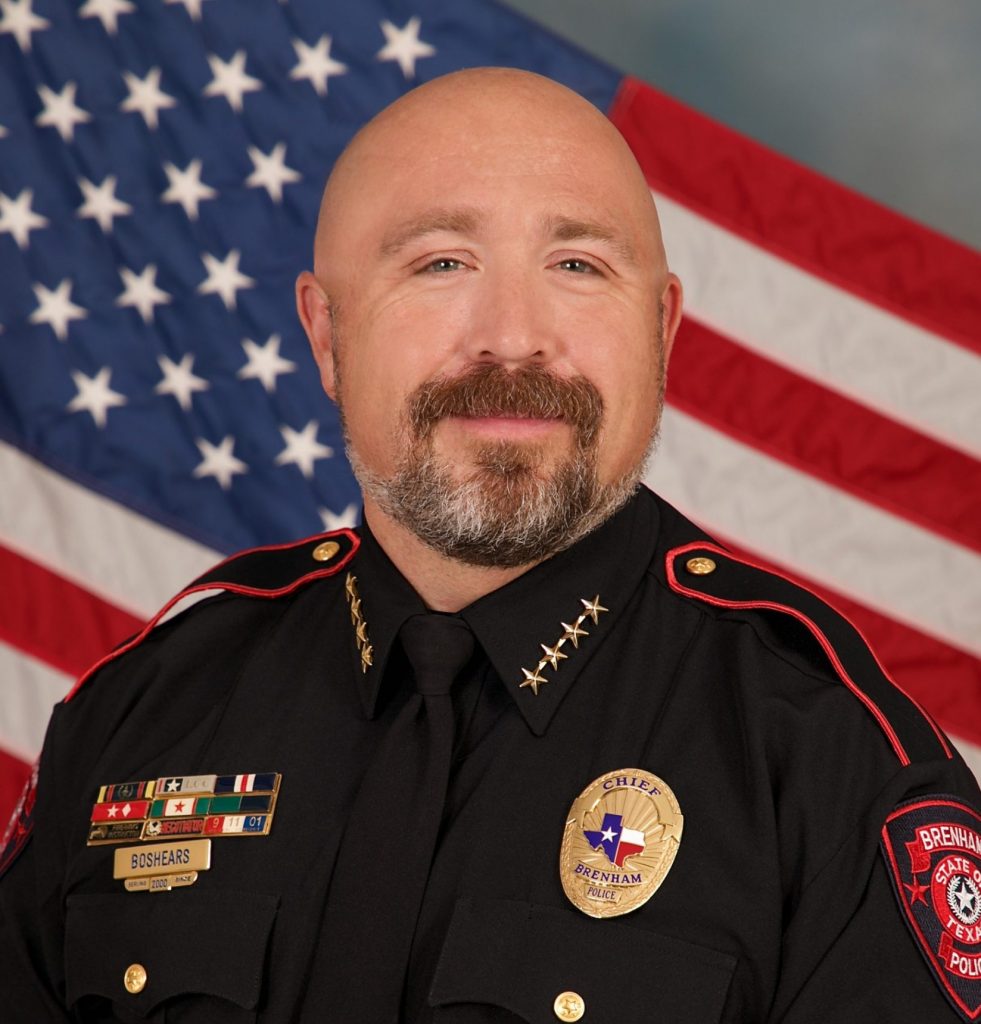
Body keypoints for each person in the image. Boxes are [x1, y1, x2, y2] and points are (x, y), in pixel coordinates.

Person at [1, 67, 978, 1024]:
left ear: (663, 330)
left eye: (578, 266)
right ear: (327, 335)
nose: (513, 338)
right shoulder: (142, 710)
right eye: (440, 263)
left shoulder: (828, 756)